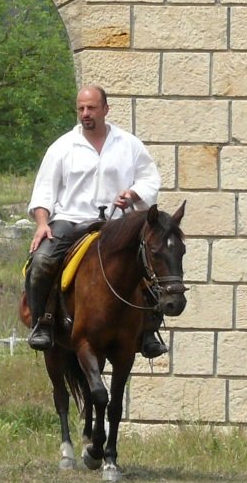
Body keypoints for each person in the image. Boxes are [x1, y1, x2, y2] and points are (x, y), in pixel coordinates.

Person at [25, 84, 165, 357]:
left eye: (91, 108)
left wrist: (132, 193)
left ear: (105, 109)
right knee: (41, 262)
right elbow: (43, 192)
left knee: (153, 260)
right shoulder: (62, 147)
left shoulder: (129, 144)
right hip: (70, 219)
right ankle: (42, 322)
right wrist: (43, 223)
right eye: (81, 108)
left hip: (118, 224)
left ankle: (149, 330)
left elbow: (150, 178)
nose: (85, 113)